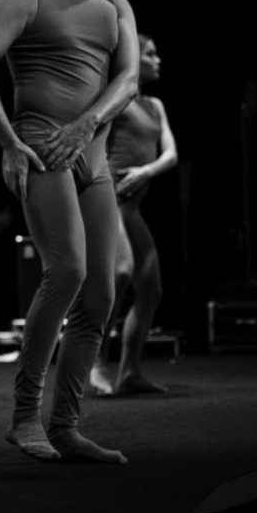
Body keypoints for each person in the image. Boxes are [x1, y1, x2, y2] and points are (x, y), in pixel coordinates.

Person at [0, 0, 142, 464]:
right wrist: (9, 143)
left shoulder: (115, 5)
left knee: (102, 292)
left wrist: (87, 124)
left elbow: (129, 79)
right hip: (41, 149)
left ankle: (65, 426)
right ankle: (24, 417)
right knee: (68, 271)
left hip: (93, 156)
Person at [103, 33, 178, 394]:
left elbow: (171, 155)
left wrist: (145, 172)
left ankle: (129, 372)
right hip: (109, 201)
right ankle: (95, 364)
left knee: (151, 289)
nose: (157, 59)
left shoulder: (155, 106)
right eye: (151, 54)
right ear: (133, 57)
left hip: (131, 208)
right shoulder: (113, 99)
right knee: (121, 273)